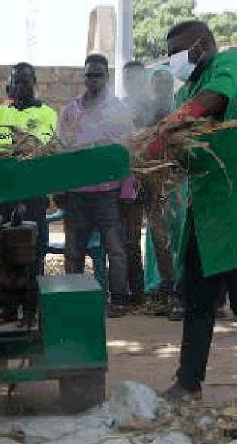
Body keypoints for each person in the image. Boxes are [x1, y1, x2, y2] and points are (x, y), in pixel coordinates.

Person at [143, 21, 237, 408]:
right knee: (197, 302)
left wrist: (172, 123)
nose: (174, 61)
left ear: (202, 45)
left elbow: (212, 102)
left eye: (178, 52)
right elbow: (177, 146)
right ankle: (188, 382)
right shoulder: (185, 89)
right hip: (203, 214)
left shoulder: (230, 64)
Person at [58, 54, 133, 318]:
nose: (93, 79)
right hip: (76, 193)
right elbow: (60, 152)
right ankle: (73, 298)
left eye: (98, 74)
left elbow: (127, 153)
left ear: (107, 77)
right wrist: (60, 188)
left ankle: (120, 299)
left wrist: (126, 191)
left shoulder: (119, 110)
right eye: (89, 74)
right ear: (84, 77)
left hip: (108, 193)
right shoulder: (70, 110)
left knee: (116, 249)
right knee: (73, 251)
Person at [0, 63, 57, 322]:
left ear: (34, 82)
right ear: (9, 85)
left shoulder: (47, 113)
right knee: (4, 249)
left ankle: (31, 309)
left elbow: (41, 145)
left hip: (33, 191)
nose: (21, 86)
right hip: (4, 191)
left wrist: (12, 145)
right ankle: (9, 308)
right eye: (16, 82)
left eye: (26, 81)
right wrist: (17, 144)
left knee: (32, 250)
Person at [142, 65, 181, 319]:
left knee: (180, 236)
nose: (163, 87)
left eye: (167, 82)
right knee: (159, 238)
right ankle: (166, 287)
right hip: (153, 184)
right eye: (157, 82)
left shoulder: (181, 107)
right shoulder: (145, 111)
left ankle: (181, 290)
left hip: (178, 182)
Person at [119, 61, 149, 306]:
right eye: (127, 77)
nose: (131, 81)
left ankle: (148, 291)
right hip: (125, 183)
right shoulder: (118, 107)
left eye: (135, 77)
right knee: (126, 240)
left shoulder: (154, 105)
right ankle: (130, 291)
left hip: (151, 180)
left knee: (156, 237)